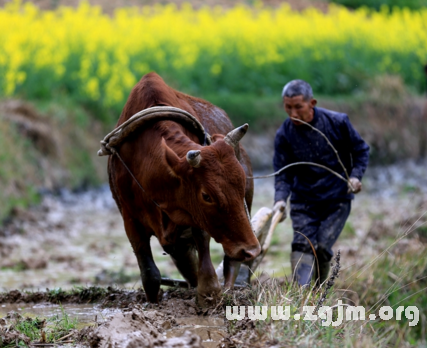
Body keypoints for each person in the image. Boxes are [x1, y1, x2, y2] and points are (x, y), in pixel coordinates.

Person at [272, 79, 369, 286]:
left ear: (312, 103)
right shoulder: (284, 134)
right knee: (301, 245)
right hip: (303, 200)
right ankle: (300, 295)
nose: (293, 114)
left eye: (298, 107)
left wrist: (355, 176)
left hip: (336, 200)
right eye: (288, 108)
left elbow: (361, 151)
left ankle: (318, 290)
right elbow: (283, 174)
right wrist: (280, 200)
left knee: (323, 248)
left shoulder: (338, 122)